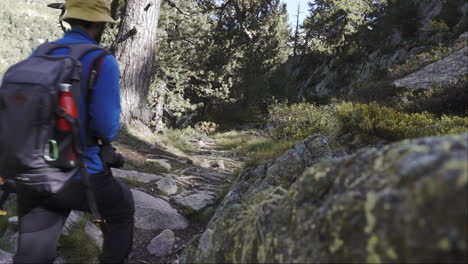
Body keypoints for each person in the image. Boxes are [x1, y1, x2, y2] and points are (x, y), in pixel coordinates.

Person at [13, 0, 135, 263]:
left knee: (33, 253)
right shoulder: (102, 61)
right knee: (121, 207)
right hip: (80, 175)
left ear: (68, 19)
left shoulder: (40, 53)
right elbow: (107, 127)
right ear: (99, 22)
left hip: (32, 170)